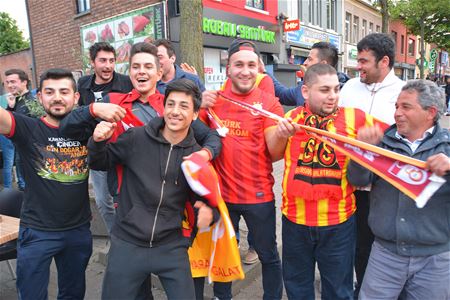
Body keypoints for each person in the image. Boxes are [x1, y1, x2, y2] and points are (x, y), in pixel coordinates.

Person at [0, 68, 123, 299]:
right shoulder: (28, 127)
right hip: (37, 232)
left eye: (64, 91)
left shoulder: (89, 129)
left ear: (76, 97)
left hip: (77, 231)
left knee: (73, 294)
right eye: (50, 91)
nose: (57, 97)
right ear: (40, 97)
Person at [267, 64, 387, 300]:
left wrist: (373, 143)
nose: (332, 96)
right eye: (324, 90)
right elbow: (272, 155)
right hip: (294, 222)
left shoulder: (355, 117)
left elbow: (395, 137)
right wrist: (280, 134)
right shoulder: (291, 119)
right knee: (297, 288)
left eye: (336, 89)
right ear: (305, 92)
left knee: (338, 291)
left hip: (339, 224)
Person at [88, 78, 215, 299]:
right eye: (171, 104)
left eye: (184, 106)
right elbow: (100, 162)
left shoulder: (196, 157)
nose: (175, 111)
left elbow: (204, 199)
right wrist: (97, 142)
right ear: (163, 107)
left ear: (195, 114)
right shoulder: (136, 137)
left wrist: (208, 213)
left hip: (171, 246)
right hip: (128, 243)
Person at [347, 79, 450, 299]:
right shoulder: (383, 143)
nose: (397, 113)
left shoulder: (447, 147)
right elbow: (356, 179)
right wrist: (361, 151)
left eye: (406, 107)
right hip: (385, 255)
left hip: (435, 260)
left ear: (430, 112)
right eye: (396, 106)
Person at [200, 38, 284, 300]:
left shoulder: (269, 103)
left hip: (259, 196)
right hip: (222, 198)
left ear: (259, 69)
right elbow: (192, 138)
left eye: (251, 65)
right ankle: (221, 297)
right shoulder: (213, 101)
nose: (245, 71)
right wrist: (197, 105)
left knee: (268, 254)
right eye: (238, 64)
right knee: (223, 253)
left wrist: (282, 134)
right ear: (228, 68)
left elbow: (275, 153)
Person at [338, 33, 406, 297]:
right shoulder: (349, 88)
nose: (359, 66)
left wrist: (381, 140)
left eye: (364, 61)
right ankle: (358, 288)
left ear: (384, 61)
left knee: (381, 245)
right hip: (348, 183)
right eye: (358, 59)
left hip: (384, 188)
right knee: (354, 246)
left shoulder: (404, 91)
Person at [76, 42, 133, 233]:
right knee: (102, 201)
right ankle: (115, 237)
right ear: (93, 62)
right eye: (102, 60)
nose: (107, 65)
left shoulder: (126, 82)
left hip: (123, 151)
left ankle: (129, 238)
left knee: (125, 198)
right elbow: (79, 115)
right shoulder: (83, 85)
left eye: (111, 60)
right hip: (98, 151)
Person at [265, 42, 349, 106]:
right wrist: (264, 71)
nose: (305, 63)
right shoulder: (303, 87)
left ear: (323, 64)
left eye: (310, 59)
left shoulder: (347, 94)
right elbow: (282, 94)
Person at [4, 69, 34, 191]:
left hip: (32, 152)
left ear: (24, 82)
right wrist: (10, 107)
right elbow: (8, 124)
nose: (10, 85)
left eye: (13, 82)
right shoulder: (15, 100)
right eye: (7, 82)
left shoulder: (32, 102)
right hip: (19, 149)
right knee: (24, 185)